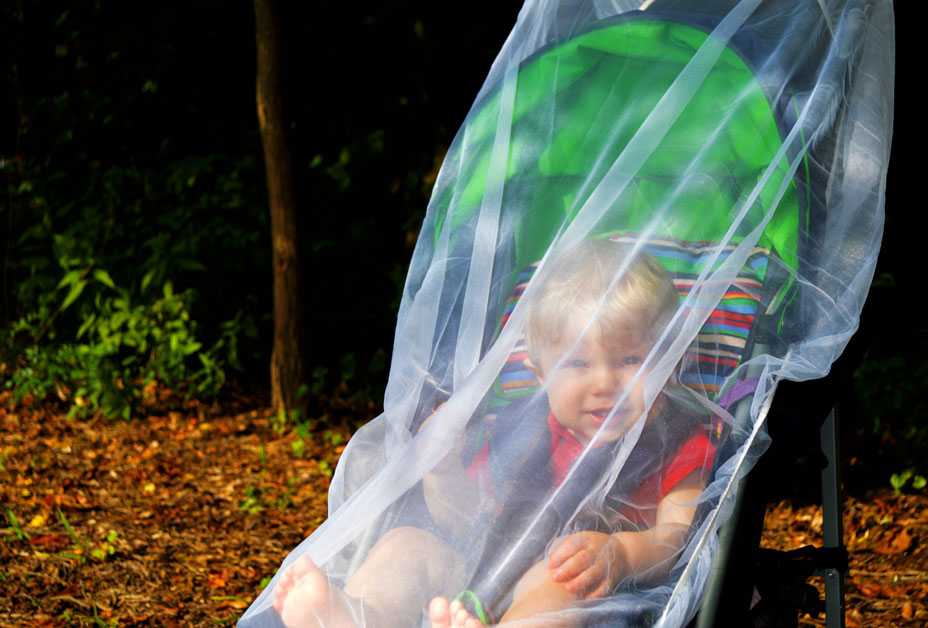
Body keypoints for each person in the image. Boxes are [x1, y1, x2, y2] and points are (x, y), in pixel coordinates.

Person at [273, 239, 715, 627]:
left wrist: (620, 554)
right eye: (578, 364)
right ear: (540, 373)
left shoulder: (676, 441)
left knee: (558, 583)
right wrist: (442, 472)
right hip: (481, 572)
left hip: (593, 588)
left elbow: (674, 538)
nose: (604, 383)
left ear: (670, 360)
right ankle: (356, 617)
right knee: (407, 545)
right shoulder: (520, 431)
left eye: (630, 361)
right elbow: (467, 522)